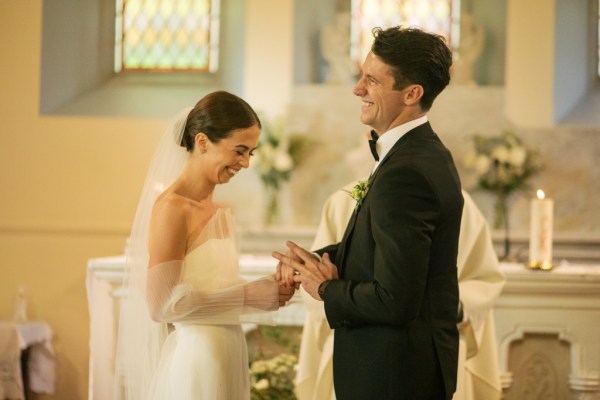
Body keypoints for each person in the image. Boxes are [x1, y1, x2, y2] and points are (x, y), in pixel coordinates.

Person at [274, 26, 464, 399]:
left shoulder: (407, 171)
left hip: (392, 375)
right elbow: (385, 254)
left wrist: (326, 288)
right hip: (403, 366)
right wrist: (315, 261)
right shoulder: (419, 152)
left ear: (412, 94)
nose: (357, 89)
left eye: (372, 80)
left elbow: (395, 299)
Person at [114, 91, 296, 400]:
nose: (246, 163)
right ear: (202, 142)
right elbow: (162, 306)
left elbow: (214, 286)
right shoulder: (174, 208)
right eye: (239, 150)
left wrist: (271, 288)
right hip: (199, 358)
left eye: (250, 152)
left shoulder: (217, 210)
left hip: (227, 351)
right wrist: (248, 295)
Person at [294, 182, 505, 400]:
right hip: (354, 354)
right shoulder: (343, 200)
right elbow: (315, 281)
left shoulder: (456, 201)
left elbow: (484, 280)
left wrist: (440, 305)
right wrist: (327, 284)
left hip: (433, 349)